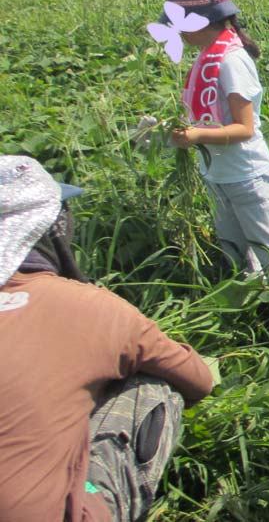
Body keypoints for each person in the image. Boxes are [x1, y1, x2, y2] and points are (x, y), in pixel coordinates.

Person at [0, 155, 214, 521]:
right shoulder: (91, 307)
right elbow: (199, 380)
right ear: (53, 230)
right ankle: (90, 496)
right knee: (153, 385)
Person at [159, 0, 269, 286]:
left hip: (247, 177)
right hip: (219, 176)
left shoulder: (230, 61)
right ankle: (252, 308)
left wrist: (196, 136)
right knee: (235, 252)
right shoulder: (205, 57)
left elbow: (244, 128)